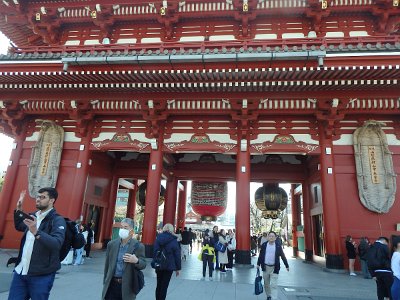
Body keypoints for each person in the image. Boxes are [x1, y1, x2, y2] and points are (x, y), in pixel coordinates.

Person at [8, 188, 66, 300]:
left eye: (42, 197)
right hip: (20, 272)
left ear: (51, 200)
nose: (38, 199)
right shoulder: (32, 216)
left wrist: (36, 231)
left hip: (42, 275)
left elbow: (56, 243)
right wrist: (19, 209)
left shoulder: (57, 220)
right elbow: (19, 225)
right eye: (37, 197)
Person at [102, 218, 146, 300]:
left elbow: (143, 264)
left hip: (127, 286)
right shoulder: (111, 244)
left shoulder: (138, 246)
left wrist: (136, 261)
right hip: (112, 284)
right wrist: (105, 281)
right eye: (121, 227)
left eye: (125, 227)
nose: (122, 229)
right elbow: (107, 265)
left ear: (131, 230)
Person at [257, 231, 289, 300]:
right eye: (270, 236)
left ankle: (274, 298)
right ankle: (269, 296)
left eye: (272, 236)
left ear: (275, 238)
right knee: (266, 284)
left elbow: (283, 256)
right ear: (268, 237)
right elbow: (261, 255)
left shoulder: (278, 246)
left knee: (274, 285)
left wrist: (286, 265)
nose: (271, 237)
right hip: (265, 267)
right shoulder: (264, 245)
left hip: (274, 268)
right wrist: (258, 264)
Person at [154, 223, 181, 300]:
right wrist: (178, 268)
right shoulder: (174, 240)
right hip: (169, 265)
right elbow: (177, 255)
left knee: (159, 284)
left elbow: (155, 251)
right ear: (172, 230)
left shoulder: (158, 238)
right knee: (164, 286)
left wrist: (155, 261)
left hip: (159, 264)